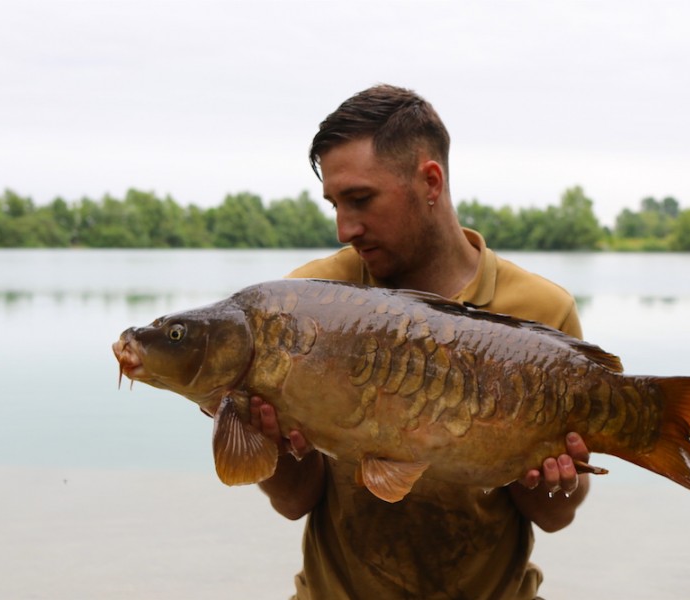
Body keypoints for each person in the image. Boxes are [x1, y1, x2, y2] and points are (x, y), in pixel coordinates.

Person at [250, 84, 591, 600]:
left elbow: (556, 516)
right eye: (335, 204)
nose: (345, 228)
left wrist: (543, 475)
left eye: (361, 199)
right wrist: (269, 442)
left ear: (430, 181)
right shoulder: (307, 306)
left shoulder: (541, 311)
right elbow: (296, 501)